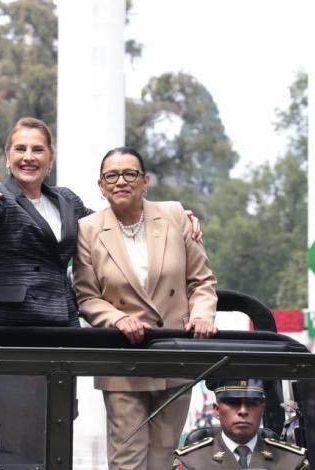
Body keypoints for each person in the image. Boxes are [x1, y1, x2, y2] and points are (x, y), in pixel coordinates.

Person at [0, 118, 202, 463]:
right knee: (16, 436)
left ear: (50, 157)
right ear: (8, 156)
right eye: (20, 149)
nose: (29, 157)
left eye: (37, 149)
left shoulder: (66, 200)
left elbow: (111, 224)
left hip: (63, 328)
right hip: (16, 331)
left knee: (57, 430)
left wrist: (177, 216)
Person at [72, 146, 218, 470]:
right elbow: (86, 296)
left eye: (130, 174)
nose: (121, 181)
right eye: (112, 175)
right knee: (127, 461)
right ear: (101, 185)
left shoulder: (176, 216)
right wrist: (117, 318)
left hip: (175, 355)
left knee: (164, 457)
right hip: (124, 359)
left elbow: (201, 281)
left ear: (145, 181)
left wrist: (202, 316)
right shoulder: (88, 229)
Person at [172, 379, 309, 470]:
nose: (243, 411)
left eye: (251, 403)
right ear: (217, 410)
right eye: (233, 403)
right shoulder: (190, 462)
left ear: (262, 409)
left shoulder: (293, 462)